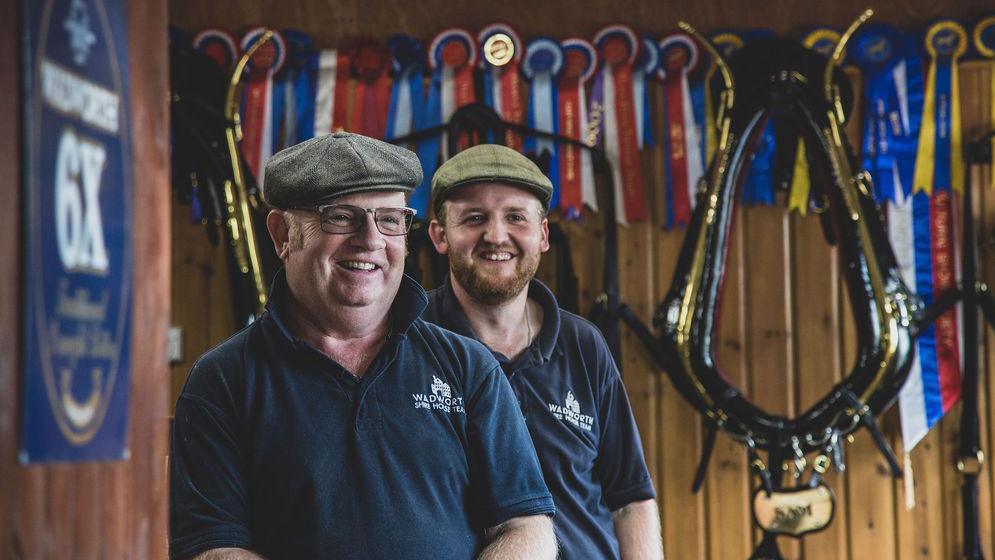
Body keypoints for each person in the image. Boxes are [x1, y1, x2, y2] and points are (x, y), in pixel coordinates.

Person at [169, 132, 557, 560]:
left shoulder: (466, 367)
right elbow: (212, 549)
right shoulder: (223, 380)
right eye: (341, 217)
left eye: (390, 219)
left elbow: (527, 526)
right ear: (282, 234)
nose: (371, 240)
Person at [423, 144, 664, 560]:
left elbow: (631, 500)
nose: (496, 235)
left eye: (516, 216)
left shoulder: (584, 345)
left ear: (543, 235)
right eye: (474, 218)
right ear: (440, 235)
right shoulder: (409, 340)